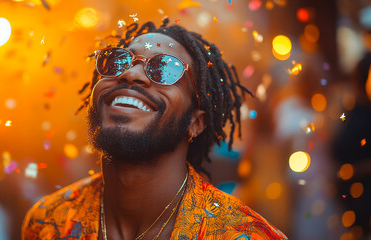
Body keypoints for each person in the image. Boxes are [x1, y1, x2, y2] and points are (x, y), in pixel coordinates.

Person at [22, 19, 287, 240]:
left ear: (196, 122)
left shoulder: (243, 234)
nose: (132, 74)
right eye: (118, 61)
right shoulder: (48, 222)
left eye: (165, 69)